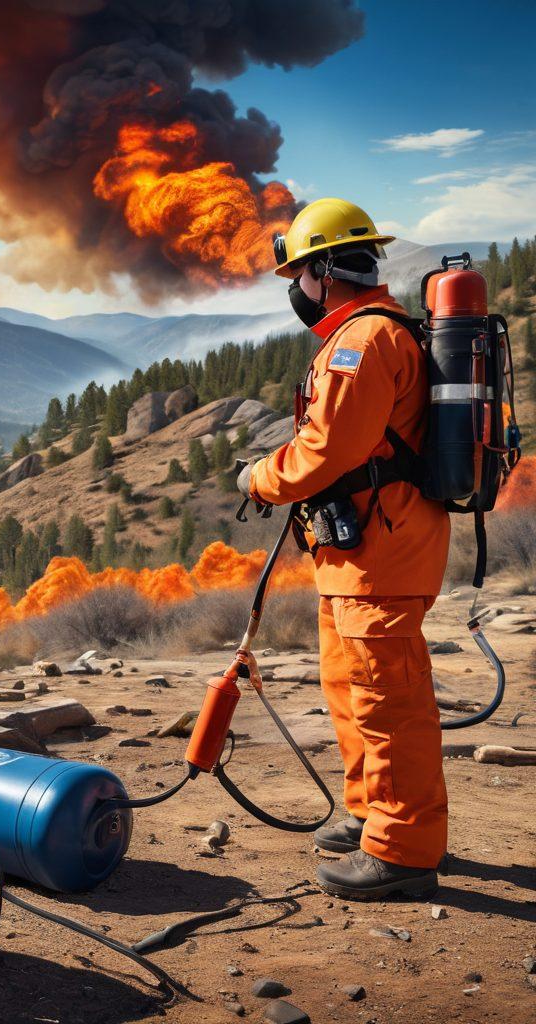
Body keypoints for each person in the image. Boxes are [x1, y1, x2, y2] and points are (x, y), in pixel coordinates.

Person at [237, 197, 450, 900]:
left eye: (299, 274)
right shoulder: (363, 334)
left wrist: (259, 477)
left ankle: (403, 847)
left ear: (325, 273)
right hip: (360, 555)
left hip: (382, 554)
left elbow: (329, 451)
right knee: (351, 690)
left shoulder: (362, 342)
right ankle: (366, 811)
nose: (297, 290)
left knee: (389, 703)